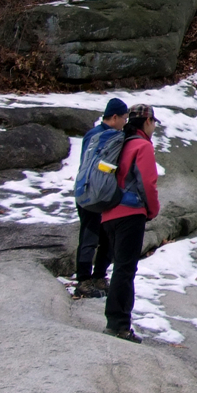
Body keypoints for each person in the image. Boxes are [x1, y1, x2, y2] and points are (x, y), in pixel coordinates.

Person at [102, 104, 161, 343]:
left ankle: (116, 320)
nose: (155, 126)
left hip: (108, 213)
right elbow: (148, 182)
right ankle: (118, 324)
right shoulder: (141, 145)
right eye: (154, 121)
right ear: (147, 122)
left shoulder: (119, 143)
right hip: (130, 213)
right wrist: (152, 210)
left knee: (120, 268)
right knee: (125, 270)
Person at [74, 97, 128, 298]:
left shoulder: (91, 135)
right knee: (99, 237)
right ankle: (86, 279)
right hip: (99, 194)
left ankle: (92, 278)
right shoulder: (111, 137)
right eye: (124, 118)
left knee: (91, 236)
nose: (125, 122)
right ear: (114, 117)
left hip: (85, 190)